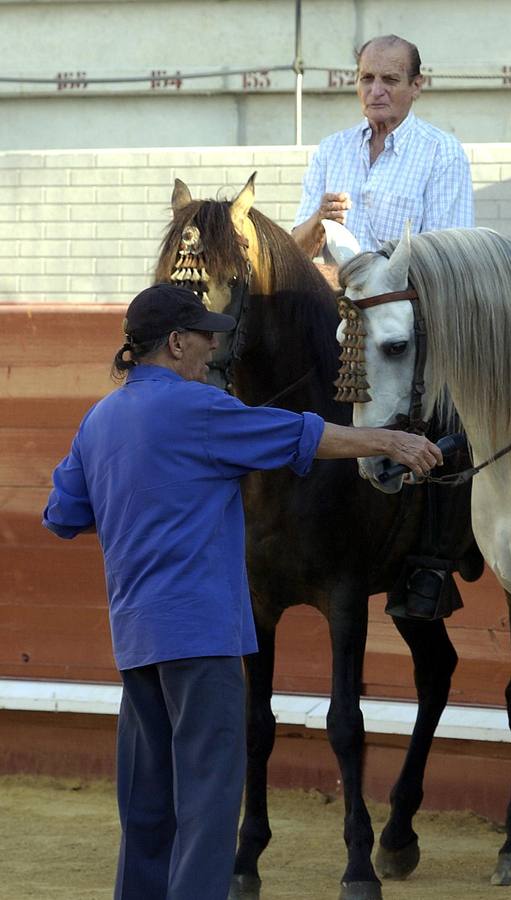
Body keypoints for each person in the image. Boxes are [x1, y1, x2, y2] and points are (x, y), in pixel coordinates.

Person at [42, 283, 442, 900]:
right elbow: (300, 434)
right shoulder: (199, 409)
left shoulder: (100, 419)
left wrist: (145, 493)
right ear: (176, 343)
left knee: (146, 803)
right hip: (201, 638)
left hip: (135, 638)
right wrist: (391, 440)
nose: (214, 347)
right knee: (207, 807)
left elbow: (62, 514)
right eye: (205, 335)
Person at [292, 33, 474, 259]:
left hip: (400, 286)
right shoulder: (331, 150)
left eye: (390, 80)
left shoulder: (442, 154)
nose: (376, 90)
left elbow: (446, 260)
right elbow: (294, 256)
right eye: (367, 78)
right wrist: (318, 221)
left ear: (416, 86)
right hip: (333, 284)